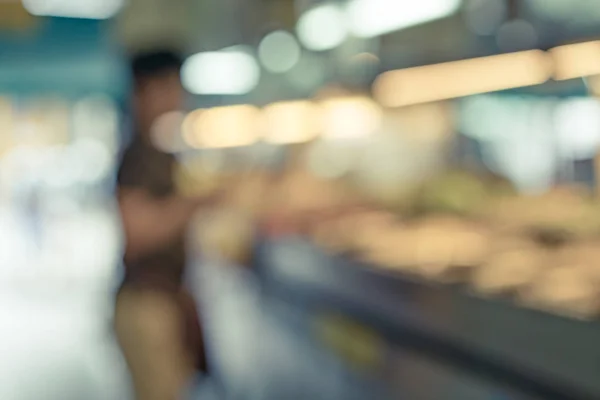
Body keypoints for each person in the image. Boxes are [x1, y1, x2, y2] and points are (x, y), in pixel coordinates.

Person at [113, 49, 215, 400]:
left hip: (161, 300)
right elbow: (137, 233)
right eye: (168, 85)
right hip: (147, 303)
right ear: (145, 90)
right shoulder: (139, 153)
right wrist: (196, 201)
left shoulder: (159, 149)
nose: (177, 96)